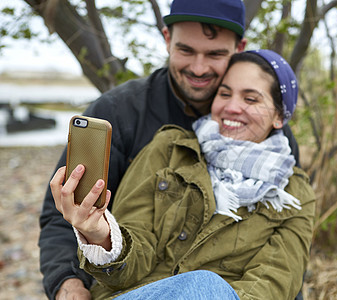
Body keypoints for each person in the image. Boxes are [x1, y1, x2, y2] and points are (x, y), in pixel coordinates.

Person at [38, 0, 301, 299]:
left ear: (239, 47)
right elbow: (62, 218)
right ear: (166, 39)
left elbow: (285, 253)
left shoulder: (274, 143)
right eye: (186, 50)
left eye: (215, 54)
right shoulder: (119, 113)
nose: (199, 68)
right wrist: (68, 285)